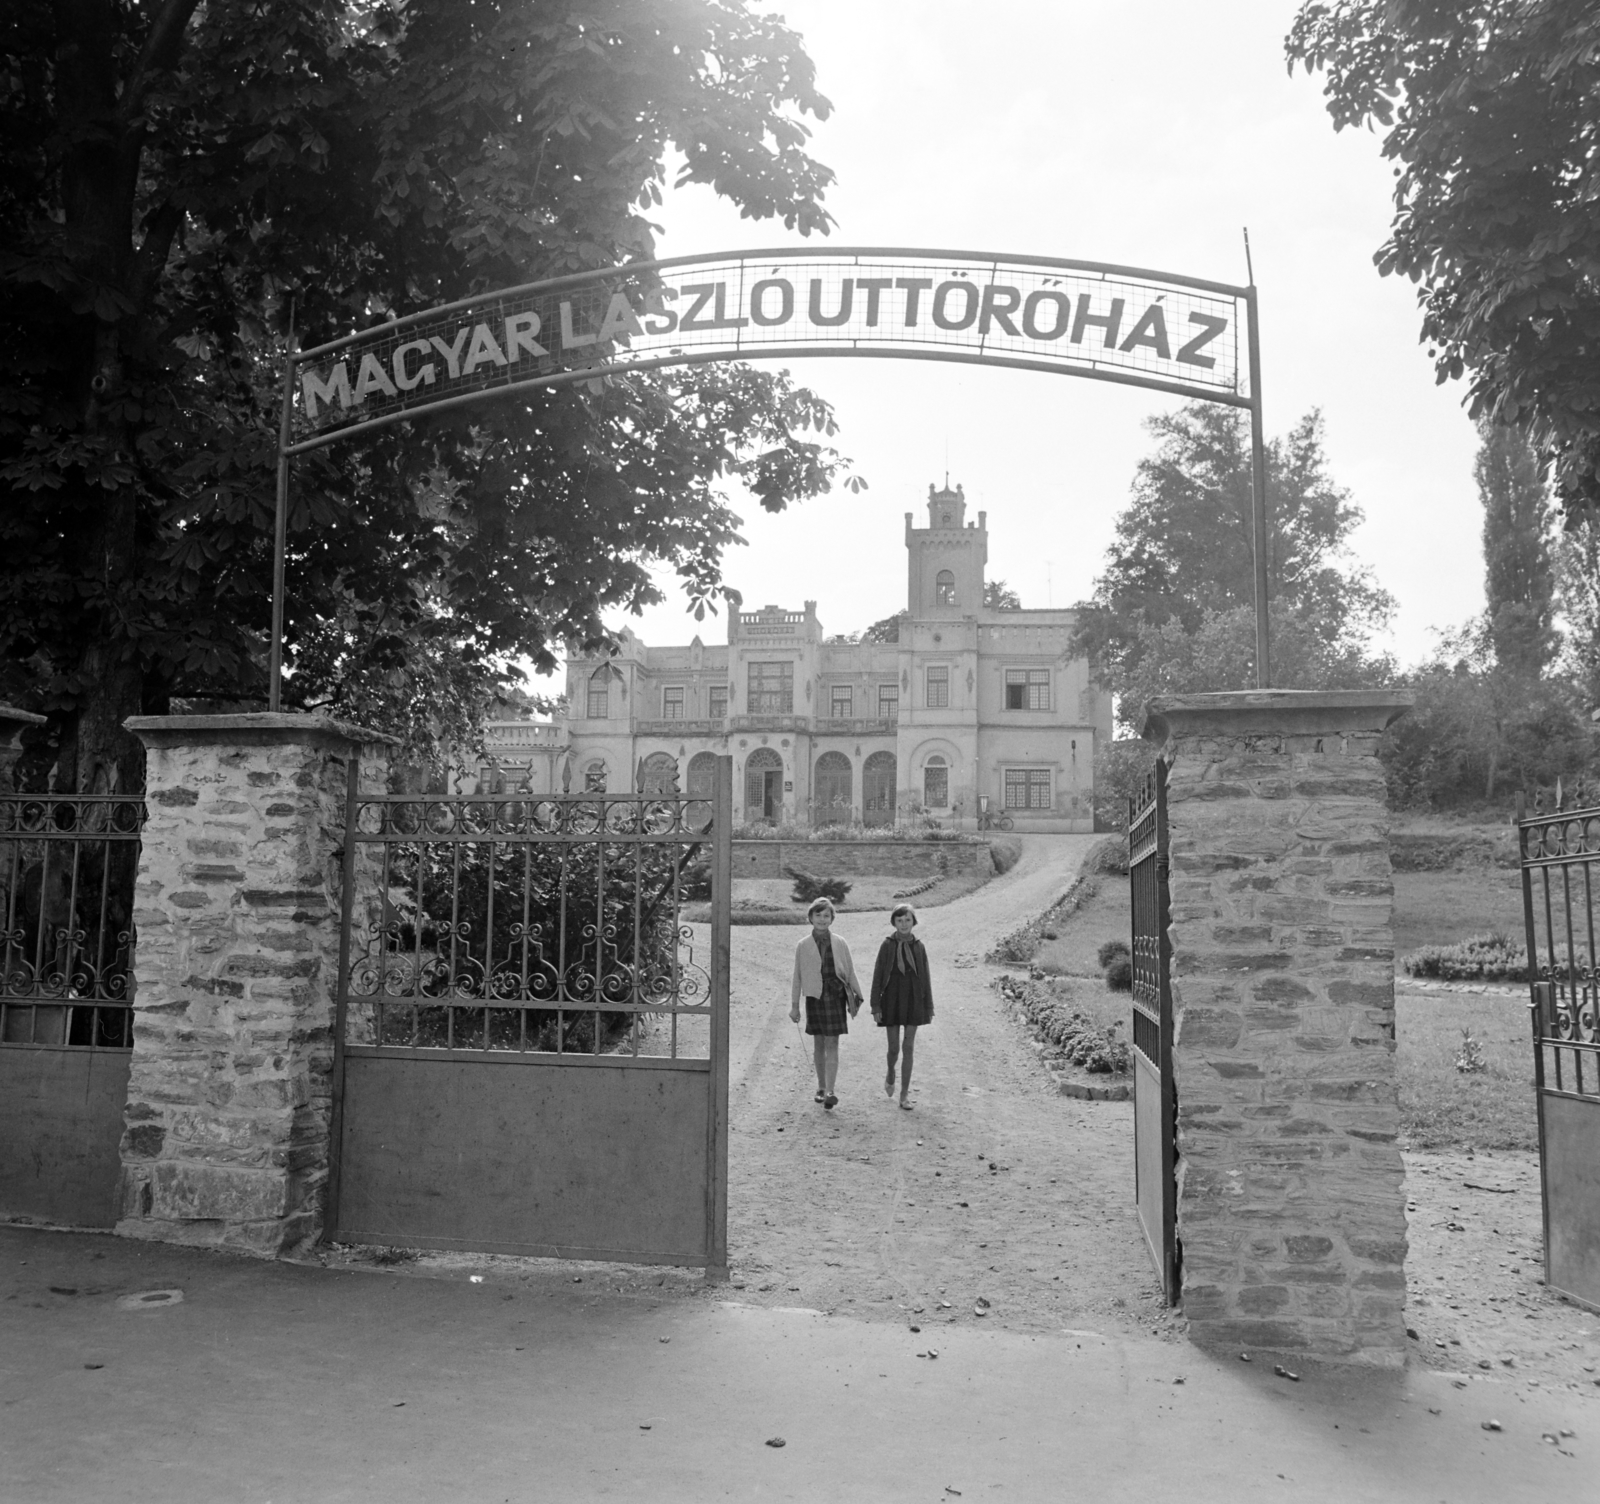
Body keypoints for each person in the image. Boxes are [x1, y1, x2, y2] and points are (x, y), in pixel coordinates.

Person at [790, 897, 862, 1109]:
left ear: (832, 918)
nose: (822, 919)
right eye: (818, 915)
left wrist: (857, 996)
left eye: (826, 916)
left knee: (833, 1043)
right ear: (810, 917)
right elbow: (797, 977)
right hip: (814, 997)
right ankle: (820, 1087)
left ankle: (831, 1089)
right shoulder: (803, 945)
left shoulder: (840, 942)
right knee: (819, 1043)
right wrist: (794, 1006)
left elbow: (849, 971)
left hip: (835, 996)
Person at [869, 902, 934, 1110]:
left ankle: (904, 1094)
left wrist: (928, 1005)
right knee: (894, 1048)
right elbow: (878, 975)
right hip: (892, 998)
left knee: (908, 1047)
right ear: (893, 922)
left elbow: (925, 978)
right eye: (899, 920)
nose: (904, 924)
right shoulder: (887, 945)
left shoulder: (919, 946)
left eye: (908, 920)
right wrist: (876, 1006)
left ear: (913, 922)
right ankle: (890, 1071)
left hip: (914, 998)